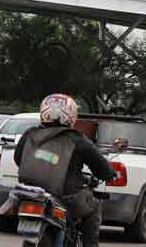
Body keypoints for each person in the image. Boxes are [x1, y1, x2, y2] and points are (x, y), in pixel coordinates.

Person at [14, 94, 116, 247]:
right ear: (71, 115)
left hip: (32, 194)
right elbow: (102, 169)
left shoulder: (30, 134)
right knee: (94, 206)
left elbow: (18, 159)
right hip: (67, 196)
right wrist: (110, 173)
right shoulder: (77, 139)